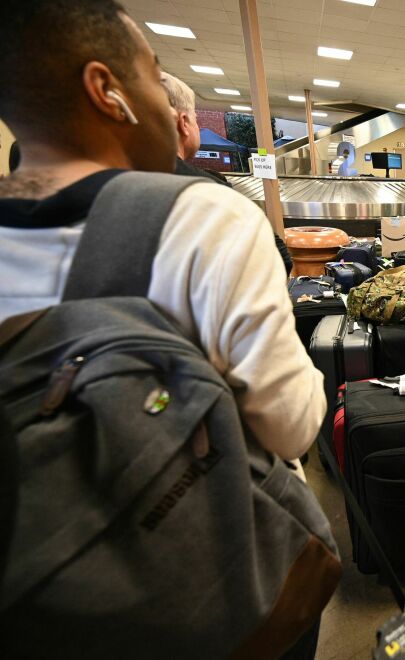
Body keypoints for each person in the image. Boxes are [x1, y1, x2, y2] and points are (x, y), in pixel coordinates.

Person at [0, 2, 327, 654]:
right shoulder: (204, 219)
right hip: (208, 583)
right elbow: (290, 423)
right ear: (107, 90)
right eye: (153, 74)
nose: (178, 112)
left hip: (37, 588)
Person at [160, 71, 294, 275]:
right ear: (183, 123)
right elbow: (278, 257)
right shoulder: (207, 189)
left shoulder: (109, 188)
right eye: (196, 119)